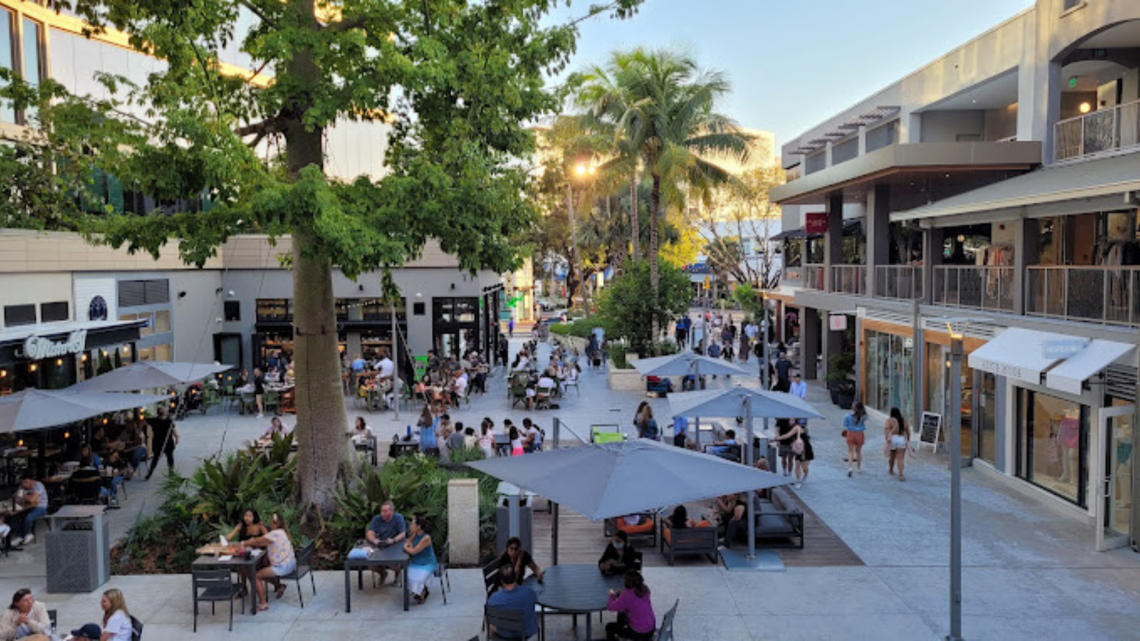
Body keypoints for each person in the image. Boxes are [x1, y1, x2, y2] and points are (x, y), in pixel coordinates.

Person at [237, 513, 295, 611]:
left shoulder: (275, 533)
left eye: (271, 522)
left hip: (283, 566)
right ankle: (279, 586)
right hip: (290, 563)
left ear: (276, 524)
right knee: (260, 570)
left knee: (256, 575)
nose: (270, 524)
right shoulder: (282, 532)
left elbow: (259, 540)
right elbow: (264, 541)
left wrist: (245, 543)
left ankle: (263, 603)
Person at [485, 564, 538, 640]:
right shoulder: (529, 592)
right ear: (515, 577)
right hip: (524, 633)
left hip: (502, 633)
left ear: (502, 580)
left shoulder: (494, 598)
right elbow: (533, 602)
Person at [605, 570, 656, 641]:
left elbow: (610, 607)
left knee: (609, 627)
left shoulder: (627, 596)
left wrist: (612, 596)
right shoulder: (645, 589)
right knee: (622, 616)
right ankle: (621, 628)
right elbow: (635, 599)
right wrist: (623, 594)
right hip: (651, 629)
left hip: (639, 633)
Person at [366, 500, 407, 584]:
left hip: (394, 545)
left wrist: (394, 540)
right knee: (370, 564)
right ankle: (383, 573)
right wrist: (374, 540)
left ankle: (397, 575)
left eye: (385, 511)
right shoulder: (377, 519)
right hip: (380, 545)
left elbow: (403, 533)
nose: (383, 513)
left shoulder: (398, 518)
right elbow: (370, 533)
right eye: (382, 511)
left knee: (393, 564)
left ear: (392, 511)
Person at [403, 513, 437, 603]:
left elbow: (413, 551)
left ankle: (422, 591)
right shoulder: (415, 535)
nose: (410, 526)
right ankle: (421, 590)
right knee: (407, 575)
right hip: (416, 562)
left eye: (413, 524)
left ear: (418, 527)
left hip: (427, 563)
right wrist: (409, 545)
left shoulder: (426, 538)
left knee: (417, 578)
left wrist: (406, 547)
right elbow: (409, 541)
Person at [9, 474, 46, 546]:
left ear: (32, 481)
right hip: (26, 506)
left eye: (26, 482)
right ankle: (27, 533)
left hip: (40, 507)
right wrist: (24, 497)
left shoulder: (38, 485)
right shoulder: (22, 486)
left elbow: (32, 500)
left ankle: (22, 536)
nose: (24, 484)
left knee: (28, 518)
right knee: (12, 517)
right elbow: (16, 497)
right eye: (22, 482)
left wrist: (22, 495)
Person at [144, 406, 179, 481]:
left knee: (156, 459)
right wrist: (177, 438)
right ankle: (171, 473)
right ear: (165, 413)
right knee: (169, 459)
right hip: (165, 443)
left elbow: (144, 421)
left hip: (159, 443)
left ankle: (150, 473)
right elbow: (174, 432)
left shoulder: (153, 420)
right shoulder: (169, 421)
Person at [885, 406, 911, 481]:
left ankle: (891, 469)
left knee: (892, 456)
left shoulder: (889, 421)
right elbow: (908, 430)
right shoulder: (904, 421)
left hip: (893, 439)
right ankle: (901, 474)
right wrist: (908, 439)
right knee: (901, 458)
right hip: (901, 439)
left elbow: (887, 430)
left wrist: (887, 439)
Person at [844, 402, 868, 477]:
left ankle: (850, 468)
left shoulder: (848, 415)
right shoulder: (863, 416)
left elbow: (845, 425)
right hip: (860, 434)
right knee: (858, 452)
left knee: (850, 451)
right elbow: (866, 417)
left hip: (851, 433)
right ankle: (858, 468)